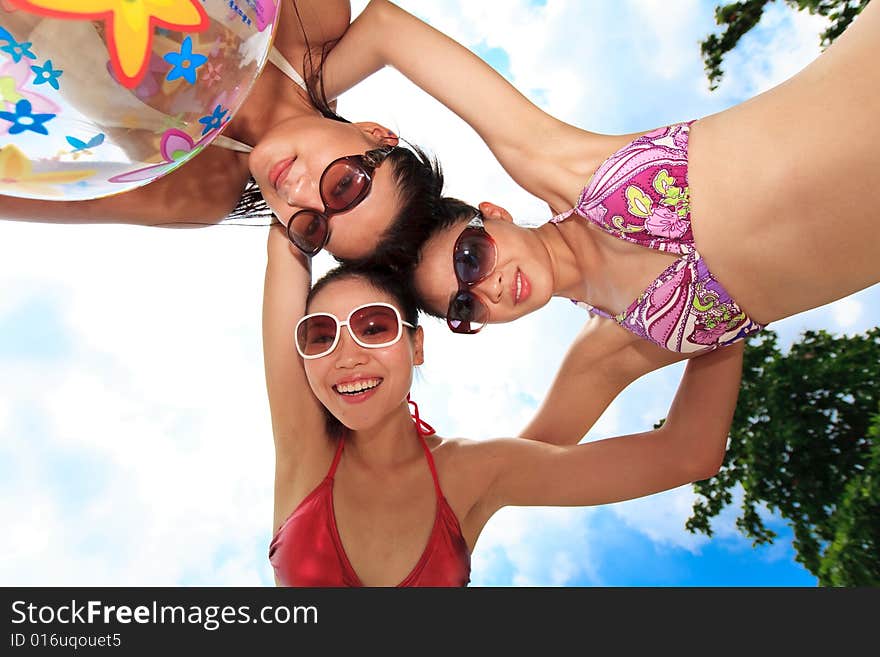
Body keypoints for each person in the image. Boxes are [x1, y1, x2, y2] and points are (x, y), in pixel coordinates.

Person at [304, 0, 879, 443]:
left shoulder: (560, 163)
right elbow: (511, 473)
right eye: (465, 307)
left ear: (494, 216)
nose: (486, 288)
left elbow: (383, 26)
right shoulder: (613, 351)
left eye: (470, 258)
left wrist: (275, 126)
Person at [262, 223, 744, 586]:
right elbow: (286, 241)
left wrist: (728, 289)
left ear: (417, 347)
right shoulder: (305, 453)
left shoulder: (478, 470)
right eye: (320, 336)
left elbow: (688, 452)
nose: (346, 356)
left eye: (374, 327)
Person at [0, 0, 445, 261]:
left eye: (312, 228)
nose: (300, 197)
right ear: (375, 133)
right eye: (346, 186)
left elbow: (21, 190)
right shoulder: (313, 18)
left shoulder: (201, 191)